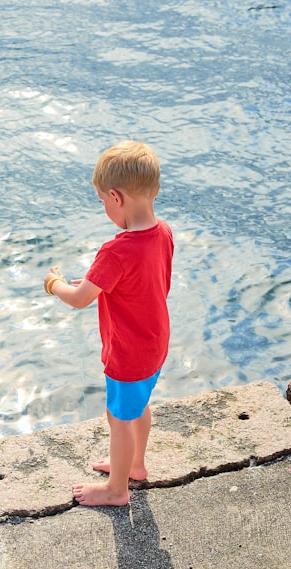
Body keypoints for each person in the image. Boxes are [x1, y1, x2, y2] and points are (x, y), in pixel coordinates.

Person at [43, 140, 174, 507]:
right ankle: (135, 465)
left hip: (129, 351)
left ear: (116, 197)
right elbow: (145, 282)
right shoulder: (163, 232)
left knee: (119, 418)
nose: (104, 208)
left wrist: (55, 285)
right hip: (155, 341)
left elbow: (81, 297)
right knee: (137, 407)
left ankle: (117, 490)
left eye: (102, 201)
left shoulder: (116, 251)